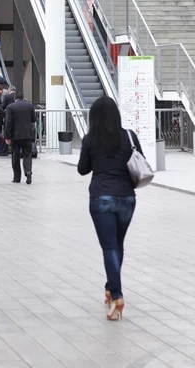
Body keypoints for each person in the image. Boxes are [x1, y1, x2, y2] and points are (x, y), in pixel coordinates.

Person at [77, 96, 142, 321]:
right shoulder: (129, 136)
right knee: (117, 245)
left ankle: (117, 295)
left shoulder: (89, 139)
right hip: (127, 198)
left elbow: (82, 169)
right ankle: (109, 286)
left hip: (101, 198)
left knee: (109, 248)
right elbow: (139, 160)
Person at [5, 92, 36, 185]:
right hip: (27, 135)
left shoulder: (10, 107)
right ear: (23, 97)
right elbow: (33, 119)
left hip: (15, 136)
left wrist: (7, 136)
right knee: (27, 154)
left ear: (15, 98)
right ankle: (28, 171)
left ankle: (17, 177)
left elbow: (8, 123)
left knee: (15, 155)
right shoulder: (30, 106)